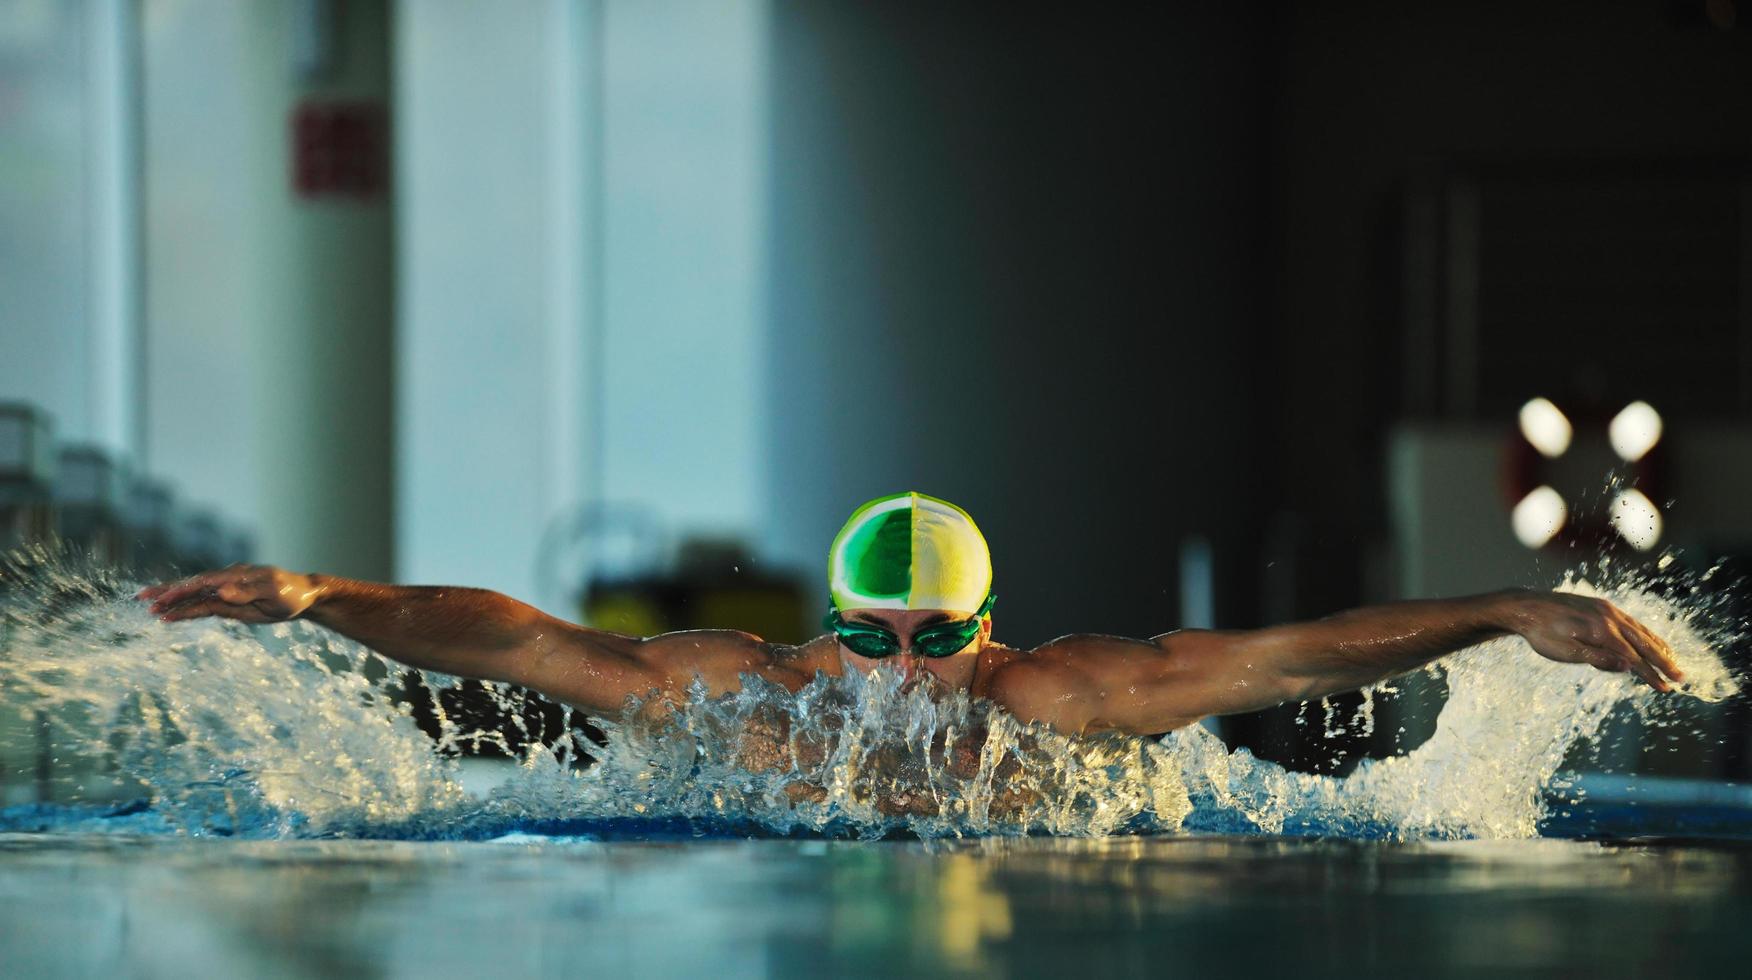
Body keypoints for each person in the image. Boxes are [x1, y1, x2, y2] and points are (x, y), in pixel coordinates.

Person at [137, 491, 1683, 737]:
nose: (896, 670)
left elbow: (1288, 652)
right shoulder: (748, 700)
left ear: (990, 624)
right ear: (831, 622)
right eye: (868, 634)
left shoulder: (1051, 697)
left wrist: (1498, 609)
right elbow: (520, 637)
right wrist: (327, 595)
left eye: (935, 636)